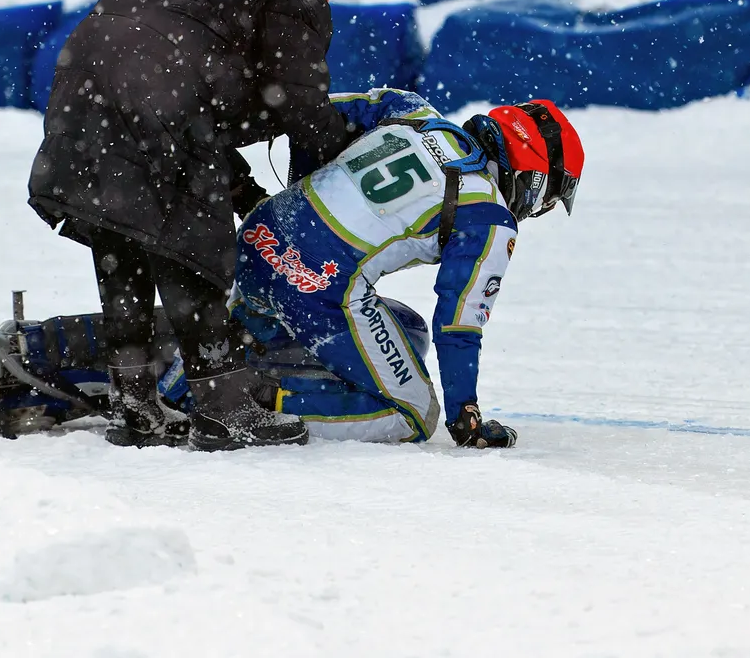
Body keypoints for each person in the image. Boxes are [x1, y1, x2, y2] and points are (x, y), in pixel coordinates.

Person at [28, 0, 358, 451]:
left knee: (122, 234)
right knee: (190, 245)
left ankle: (134, 402)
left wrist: (243, 187)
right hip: (157, 90)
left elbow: (199, 87)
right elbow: (296, 99)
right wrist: (341, 158)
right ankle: (223, 406)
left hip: (83, 77)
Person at [230, 87, 584, 447]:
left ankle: (219, 366)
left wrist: (297, 209)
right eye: (553, 198)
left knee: (410, 332)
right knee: (414, 413)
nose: (545, 208)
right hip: (316, 284)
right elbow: (457, 323)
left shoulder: (412, 109)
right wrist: (465, 415)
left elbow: (309, 114)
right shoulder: (489, 213)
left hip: (259, 237)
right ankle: (255, 403)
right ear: (536, 179)